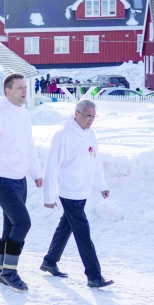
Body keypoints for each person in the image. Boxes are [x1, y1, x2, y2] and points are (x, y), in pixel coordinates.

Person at [0, 73, 43, 292]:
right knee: (23, 223)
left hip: (19, 179)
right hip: (1, 179)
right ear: (8, 91)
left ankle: (1, 270)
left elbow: (29, 146)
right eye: (19, 88)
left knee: (11, 225)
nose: (24, 91)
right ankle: (10, 272)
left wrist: (36, 172)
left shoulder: (24, 115)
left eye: (25, 87)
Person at [40, 99, 113, 288]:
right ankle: (94, 275)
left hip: (83, 190)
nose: (90, 120)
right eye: (87, 116)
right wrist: (49, 196)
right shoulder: (63, 135)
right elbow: (51, 167)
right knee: (83, 232)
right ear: (76, 114)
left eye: (93, 116)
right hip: (68, 191)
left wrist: (101, 185)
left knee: (67, 225)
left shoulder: (90, 135)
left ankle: (50, 261)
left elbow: (94, 161)